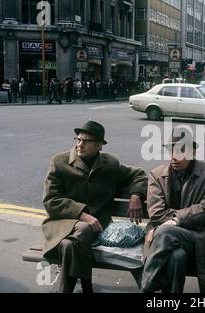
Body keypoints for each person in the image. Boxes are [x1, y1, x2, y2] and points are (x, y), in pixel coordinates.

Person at [42, 120, 148, 293]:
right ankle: (85, 287)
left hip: (97, 228)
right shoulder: (59, 162)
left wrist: (136, 195)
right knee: (83, 230)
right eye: (78, 139)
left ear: (99, 145)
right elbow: (51, 200)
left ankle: (71, 288)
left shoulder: (110, 163)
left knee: (70, 246)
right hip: (62, 224)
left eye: (86, 141)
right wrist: (83, 214)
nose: (79, 144)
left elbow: (138, 174)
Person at [141, 126, 205, 293]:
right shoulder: (157, 174)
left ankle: (146, 288)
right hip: (168, 241)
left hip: (199, 238)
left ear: (193, 152)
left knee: (165, 232)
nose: (174, 157)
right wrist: (174, 222)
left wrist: (174, 221)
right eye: (171, 150)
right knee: (176, 257)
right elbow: (156, 212)